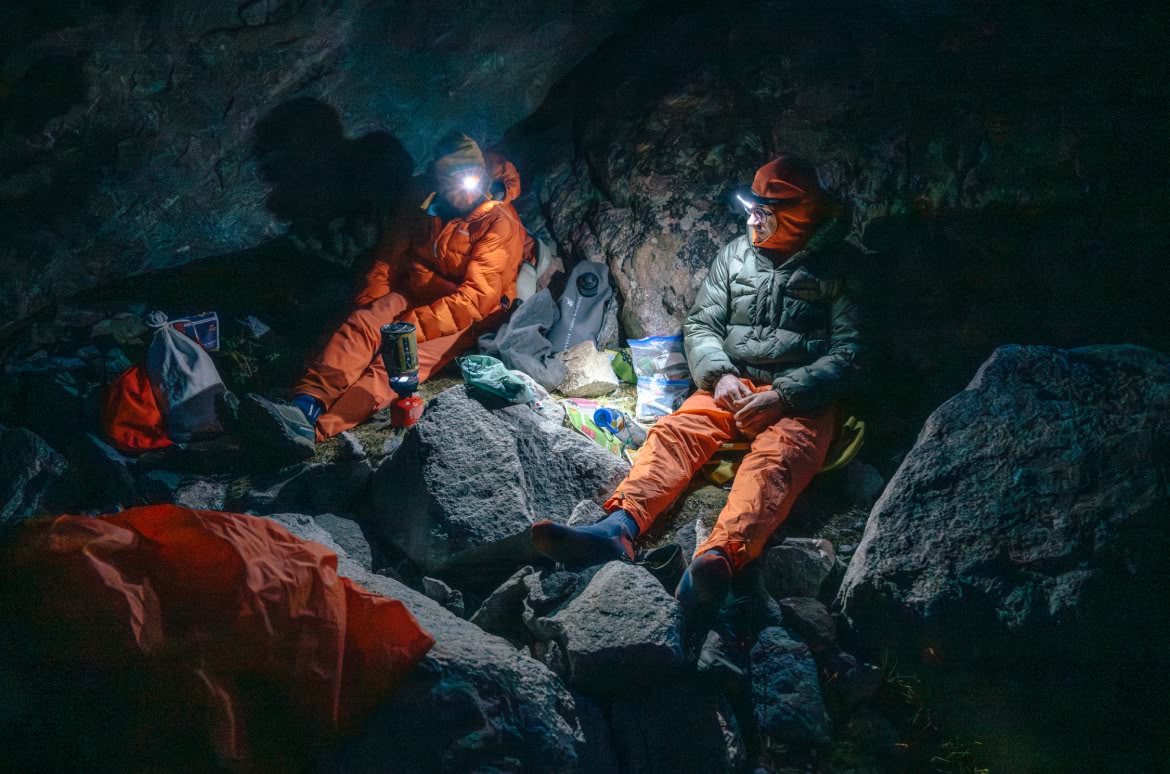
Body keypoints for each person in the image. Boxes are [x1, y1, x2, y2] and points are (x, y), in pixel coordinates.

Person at [532, 155, 867, 618]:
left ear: (796, 212)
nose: (750, 220)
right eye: (750, 209)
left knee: (778, 462)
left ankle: (719, 558)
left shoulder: (843, 267)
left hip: (799, 399)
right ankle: (618, 527)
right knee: (676, 433)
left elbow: (851, 354)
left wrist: (784, 396)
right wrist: (720, 374)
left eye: (762, 212)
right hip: (734, 384)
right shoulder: (736, 254)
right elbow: (702, 325)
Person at [240, 133, 529, 457]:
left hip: (464, 315)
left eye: (468, 180)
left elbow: (477, 297)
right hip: (414, 291)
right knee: (362, 325)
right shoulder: (422, 198)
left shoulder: (498, 222)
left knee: (396, 362)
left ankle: (314, 431)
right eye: (450, 181)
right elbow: (388, 258)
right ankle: (303, 405)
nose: (462, 190)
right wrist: (370, 303)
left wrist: (409, 326)